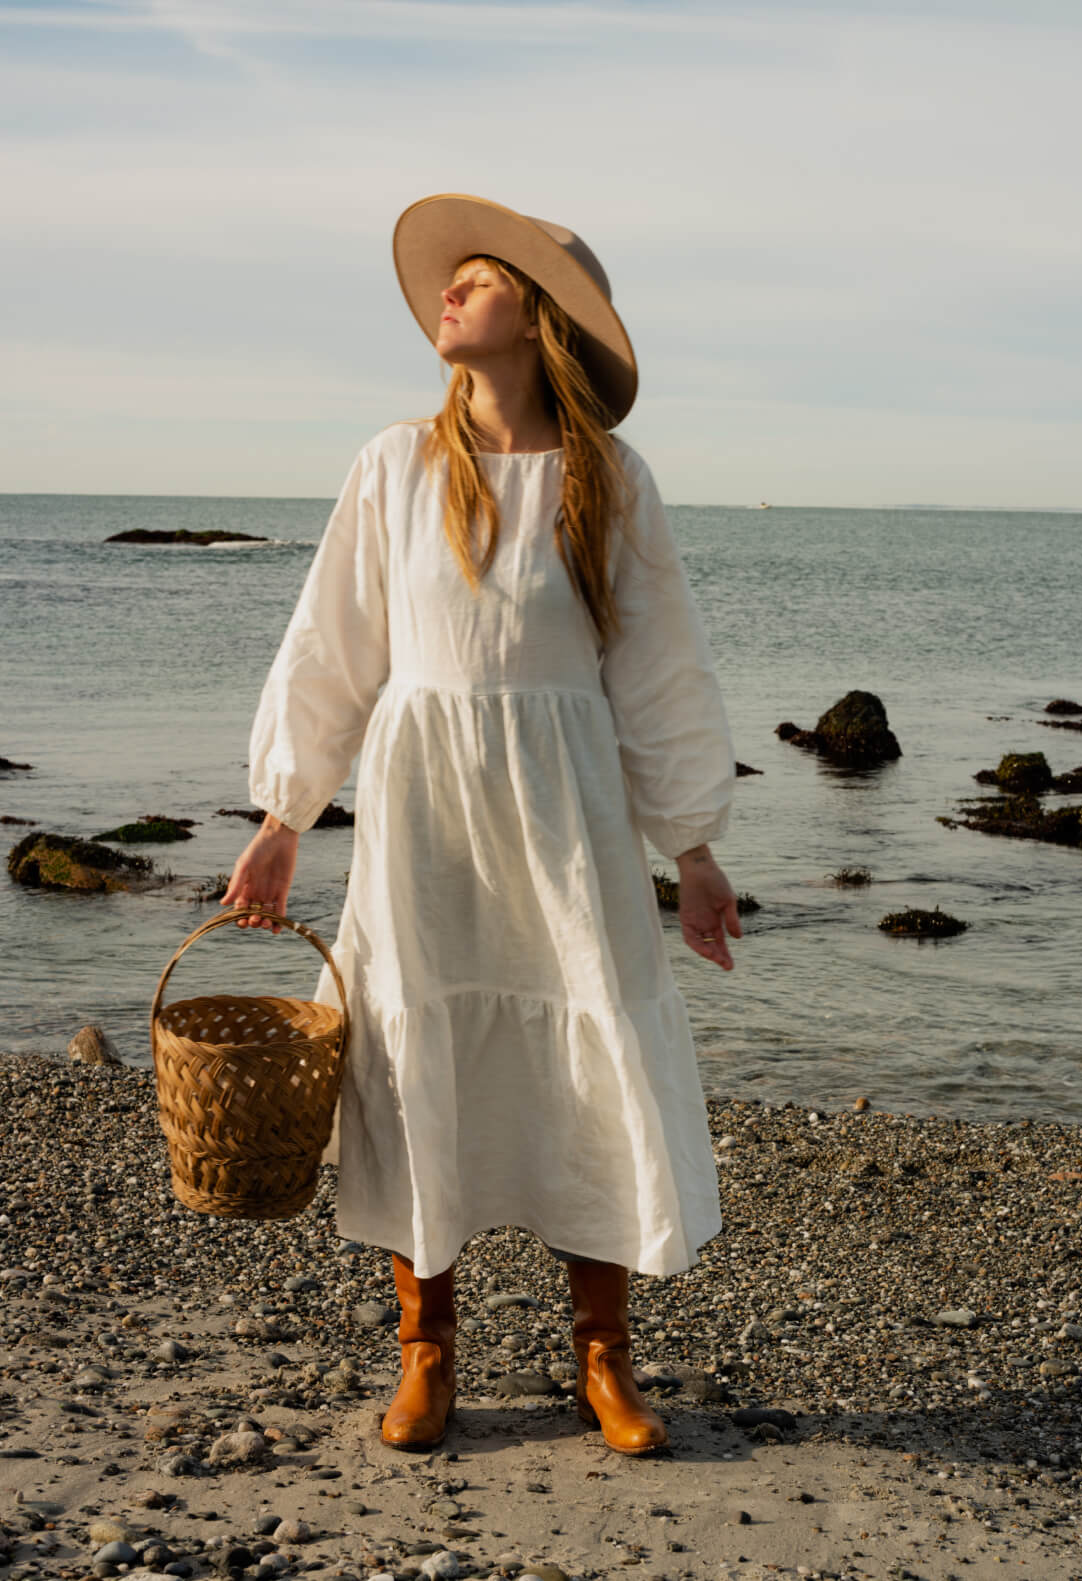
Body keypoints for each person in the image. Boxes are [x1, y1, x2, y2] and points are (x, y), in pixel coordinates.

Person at [221, 194, 741, 1456]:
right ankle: (427, 1351)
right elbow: (332, 645)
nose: (445, 298)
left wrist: (694, 846)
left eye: (475, 280)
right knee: (414, 1055)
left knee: (588, 1048)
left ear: (539, 314)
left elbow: (660, 669)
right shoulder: (395, 464)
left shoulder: (608, 479)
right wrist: (287, 810)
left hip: (564, 806)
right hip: (424, 807)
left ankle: (603, 1360)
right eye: (444, 283)